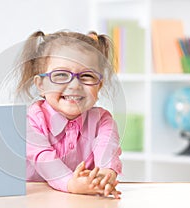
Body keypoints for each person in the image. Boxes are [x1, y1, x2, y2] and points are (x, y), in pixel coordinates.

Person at [16, 30, 122, 198]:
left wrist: (104, 177)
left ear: (99, 85)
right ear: (41, 85)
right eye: (61, 75)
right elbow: (43, 158)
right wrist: (70, 183)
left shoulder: (102, 120)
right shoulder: (31, 120)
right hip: (35, 202)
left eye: (87, 76)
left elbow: (107, 148)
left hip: (82, 203)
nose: (74, 85)